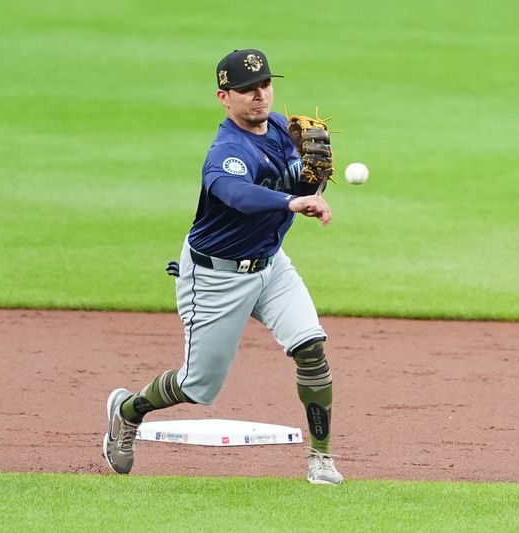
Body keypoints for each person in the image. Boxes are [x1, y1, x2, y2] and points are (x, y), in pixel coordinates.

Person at [102, 48, 343, 485]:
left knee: (311, 348)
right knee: (198, 386)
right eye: (247, 89)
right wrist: (294, 200)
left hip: (271, 266)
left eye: (266, 85)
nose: (260, 95)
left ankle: (321, 459)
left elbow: (301, 181)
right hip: (215, 277)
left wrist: (314, 181)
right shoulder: (226, 151)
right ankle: (126, 411)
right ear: (223, 97)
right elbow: (239, 195)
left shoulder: (282, 131)